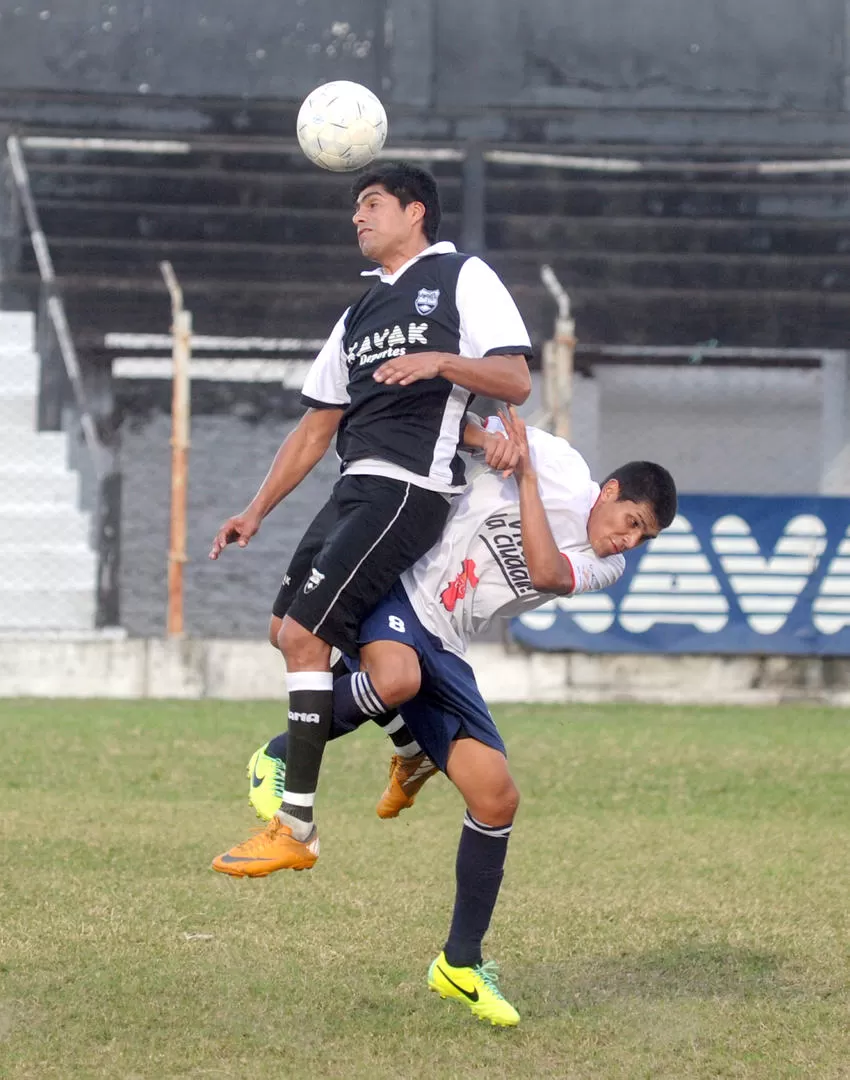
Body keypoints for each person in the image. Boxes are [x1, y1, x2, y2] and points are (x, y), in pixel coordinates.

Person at [213, 408, 678, 1027]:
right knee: (390, 676)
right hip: (403, 587)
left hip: (449, 643)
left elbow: (544, 571)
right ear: (611, 493)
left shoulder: (605, 565)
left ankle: (459, 963)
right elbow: (443, 424)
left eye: (644, 538)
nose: (629, 542)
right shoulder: (561, 462)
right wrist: (492, 442)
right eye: (632, 523)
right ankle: (279, 753)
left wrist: (528, 484)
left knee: (497, 798)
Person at [209, 162, 532, 871]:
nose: (358, 217)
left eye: (372, 203)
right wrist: (254, 510)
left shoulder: (461, 278)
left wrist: (439, 361)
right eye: (357, 206)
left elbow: (514, 378)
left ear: (415, 212)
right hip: (354, 486)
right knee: (282, 631)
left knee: (305, 638)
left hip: (410, 488)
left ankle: (296, 830)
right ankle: (412, 748)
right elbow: (316, 427)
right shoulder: (358, 314)